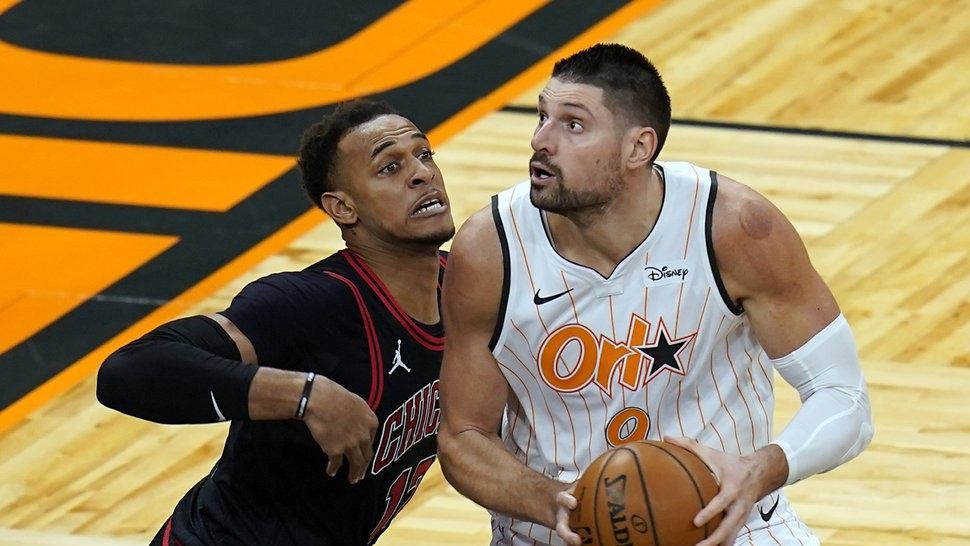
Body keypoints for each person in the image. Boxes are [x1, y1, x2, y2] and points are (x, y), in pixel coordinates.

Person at [437, 43, 873, 546]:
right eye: (541, 116)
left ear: (638, 148)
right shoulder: (489, 248)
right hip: (557, 533)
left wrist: (760, 469)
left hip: (735, 524)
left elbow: (845, 399)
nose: (541, 140)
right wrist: (558, 501)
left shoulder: (732, 226)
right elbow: (462, 436)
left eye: (572, 125)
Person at [97, 99, 455, 546]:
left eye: (424, 155)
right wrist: (304, 395)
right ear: (343, 208)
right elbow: (128, 370)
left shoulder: (467, 286)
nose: (422, 174)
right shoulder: (312, 302)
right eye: (389, 167)